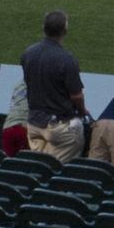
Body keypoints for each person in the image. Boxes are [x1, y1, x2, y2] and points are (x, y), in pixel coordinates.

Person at [22, 11, 88, 162]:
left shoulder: (28, 53)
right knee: (54, 171)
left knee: (39, 168)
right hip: (59, 127)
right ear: (65, 31)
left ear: (44, 28)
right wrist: (83, 111)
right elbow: (76, 95)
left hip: (34, 123)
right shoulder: (66, 59)